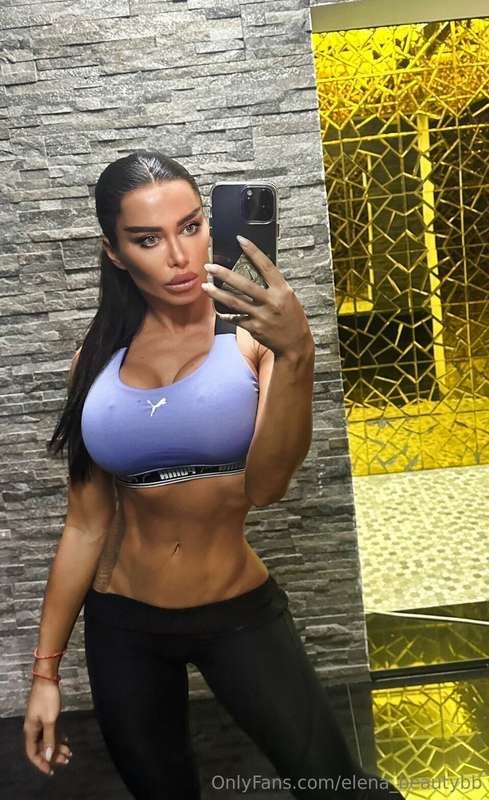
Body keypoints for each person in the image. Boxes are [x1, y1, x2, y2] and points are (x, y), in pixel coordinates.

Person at [22, 150, 405, 799]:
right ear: (115, 252)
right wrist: (45, 674)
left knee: (333, 786)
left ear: (209, 225)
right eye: (148, 239)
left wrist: (297, 352)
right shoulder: (95, 360)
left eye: (191, 226)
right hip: (122, 624)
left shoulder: (254, 339)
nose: (179, 255)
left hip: (236, 609)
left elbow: (267, 487)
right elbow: (85, 526)